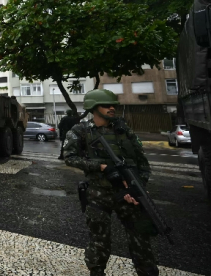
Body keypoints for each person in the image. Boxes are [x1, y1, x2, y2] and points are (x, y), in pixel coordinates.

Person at [62, 89, 158, 276]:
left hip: (127, 194)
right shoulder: (80, 131)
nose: (112, 108)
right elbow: (70, 158)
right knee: (99, 241)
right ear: (93, 108)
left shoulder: (124, 130)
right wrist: (101, 167)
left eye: (114, 105)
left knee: (141, 240)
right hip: (99, 194)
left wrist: (137, 189)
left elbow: (142, 163)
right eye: (106, 105)